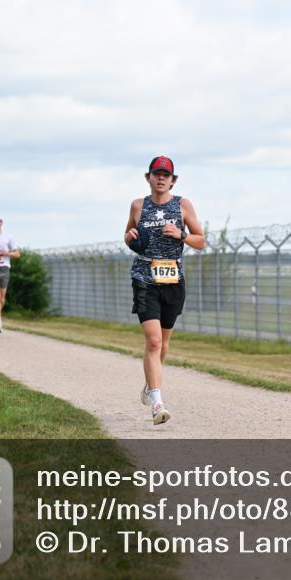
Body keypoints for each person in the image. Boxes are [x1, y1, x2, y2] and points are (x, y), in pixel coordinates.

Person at [125, 156, 205, 425]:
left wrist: (181, 235)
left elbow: (201, 241)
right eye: (156, 174)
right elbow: (128, 235)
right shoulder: (138, 206)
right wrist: (130, 238)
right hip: (144, 276)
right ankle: (157, 402)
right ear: (148, 177)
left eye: (166, 174)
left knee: (165, 343)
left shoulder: (182, 205)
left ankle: (150, 384)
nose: (161, 178)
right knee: (154, 341)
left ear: (173, 180)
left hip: (173, 277)